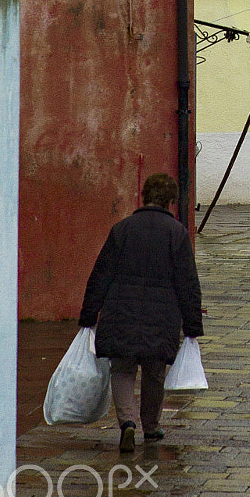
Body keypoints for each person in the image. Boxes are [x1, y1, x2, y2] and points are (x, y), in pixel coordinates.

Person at [79, 171, 203, 453]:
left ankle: (127, 424)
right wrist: (192, 325)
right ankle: (150, 425)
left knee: (122, 369)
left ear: (144, 197)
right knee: (154, 371)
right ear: (171, 201)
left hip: (120, 311)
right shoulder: (177, 234)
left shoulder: (122, 229)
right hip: (162, 316)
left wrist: (89, 315)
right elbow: (188, 283)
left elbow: (101, 275)